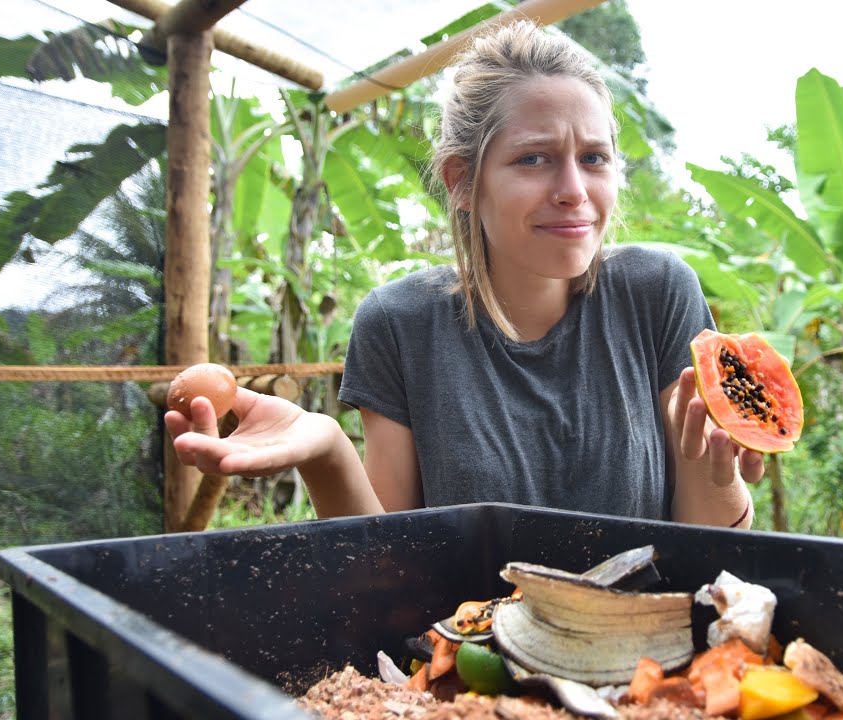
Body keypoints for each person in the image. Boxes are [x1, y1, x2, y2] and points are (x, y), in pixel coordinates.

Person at [166, 19, 763, 528]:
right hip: (469, 659)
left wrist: (721, 470)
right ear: (462, 181)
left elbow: (707, 540)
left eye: (594, 158)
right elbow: (388, 566)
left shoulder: (657, 293)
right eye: (534, 158)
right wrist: (327, 453)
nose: (573, 191)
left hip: (647, 655)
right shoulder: (401, 323)